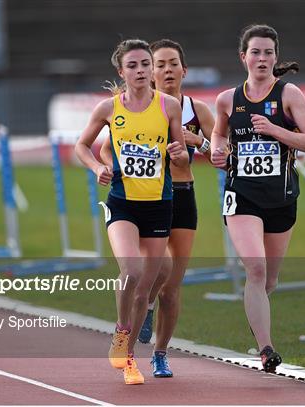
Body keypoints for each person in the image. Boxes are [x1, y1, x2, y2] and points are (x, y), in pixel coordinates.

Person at [75, 38, 188, 385]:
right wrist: (96, 167)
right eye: (134, 66)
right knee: (131, 271)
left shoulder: (169, 106)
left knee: (145, 288)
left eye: (145, 65)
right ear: (121, 71)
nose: (141, 71)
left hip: (158, 205)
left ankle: (129, 361)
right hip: (122, 203)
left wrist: (179, 152)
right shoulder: (108, 109)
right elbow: (82, 146)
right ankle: (121, 333)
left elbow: (180, 152)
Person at [99, 38, 214, 378]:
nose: (165, 70)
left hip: (182, 195)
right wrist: (111, 167)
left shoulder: (196, 110)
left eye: (171, 63)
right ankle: (136, 323)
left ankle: (161, 353)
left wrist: (198, 142)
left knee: (172, 284)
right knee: (145, 275)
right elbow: (108, 148)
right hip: (141, 196)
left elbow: (224, 155)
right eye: (159, 64)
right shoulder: (142, 108)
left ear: (183, 70)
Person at [210, 24, 305, 373]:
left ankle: (256, 319)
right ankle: (266, 349)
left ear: (276, 57)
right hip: (241, 195)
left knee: (269, 280)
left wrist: (274, 130)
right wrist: (216, 149)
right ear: (243, 57)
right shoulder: (228, 99)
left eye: (268, 52)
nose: (262, 58)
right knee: (254, 268)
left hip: (282, 197)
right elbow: (217, 132)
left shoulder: (289, 95)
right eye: (255, 52)